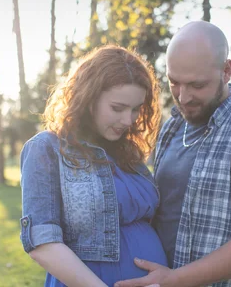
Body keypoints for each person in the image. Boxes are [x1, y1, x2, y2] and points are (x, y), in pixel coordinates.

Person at [116, 21, 231, 287]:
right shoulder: (173, 126)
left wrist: (175, 279)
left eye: (197, 85)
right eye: (175, 83)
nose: (183, 97)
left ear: (226, 71)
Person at [19, 45, 167, 287]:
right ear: (88, 98)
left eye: (136, 109)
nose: (128, 120)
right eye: (117, 108)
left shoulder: (128, 153)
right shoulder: (47, 148)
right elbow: (42, 243)